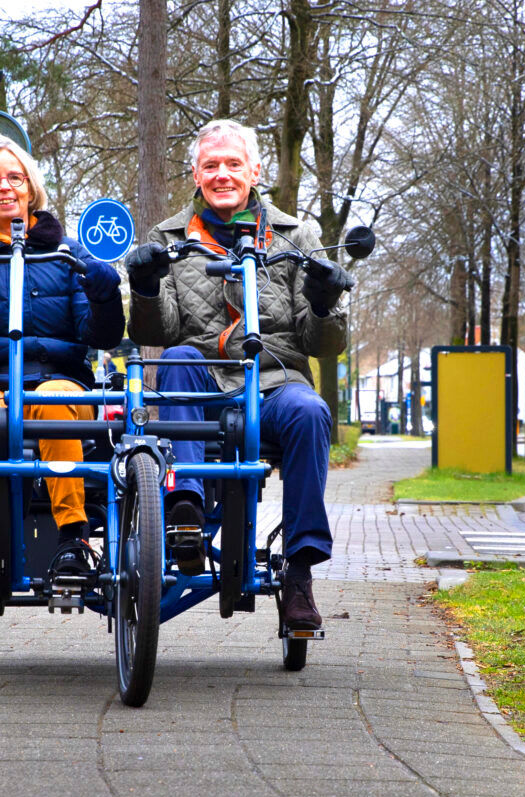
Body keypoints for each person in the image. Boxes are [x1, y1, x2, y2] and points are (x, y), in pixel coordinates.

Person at [124, 119, 354, 630]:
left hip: (274, 381)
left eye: (233, 164)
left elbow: (325, 346)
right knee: (178, 359)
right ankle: (182, 508)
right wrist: (142, 287)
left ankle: (300, 572)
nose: (222, 174)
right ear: (195, 174)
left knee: (311, 411)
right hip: (202, 382)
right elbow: (158, 327)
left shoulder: (299, 235)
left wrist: (322, 305)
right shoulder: (168, 236)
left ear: (255, 170)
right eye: (211, 166)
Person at [0, 134, 124, 591]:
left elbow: (101, 334)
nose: (4, 187)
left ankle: (73, 537)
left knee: (52, 402)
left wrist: (105, 294)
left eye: (14, 177)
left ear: (31, 188)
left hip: (59, 376)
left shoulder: (68, 254)